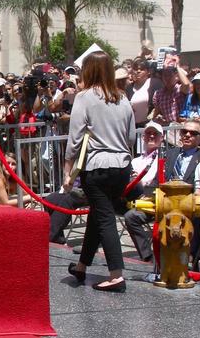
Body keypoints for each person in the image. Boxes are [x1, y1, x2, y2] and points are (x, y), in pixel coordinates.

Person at [64, 51, 136, 292]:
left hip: (97, 166)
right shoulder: (123, 99)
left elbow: (74, 138)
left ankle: (116, 274)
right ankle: (83, 265)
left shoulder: (84, 97)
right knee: (98, 214)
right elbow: (131, 136)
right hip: (122, 165)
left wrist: (67, 171)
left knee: (104, 218)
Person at [122, 122, 165, 262]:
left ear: (162, 137)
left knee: (130, 216)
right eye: (148, 133)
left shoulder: (164, 158)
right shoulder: (135, 160)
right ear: (143, 137)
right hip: (130, 198)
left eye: (155, 134)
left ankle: (147, 255)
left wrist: (139, 181)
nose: (151, 136)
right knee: (104, 207)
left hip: (150, 199)